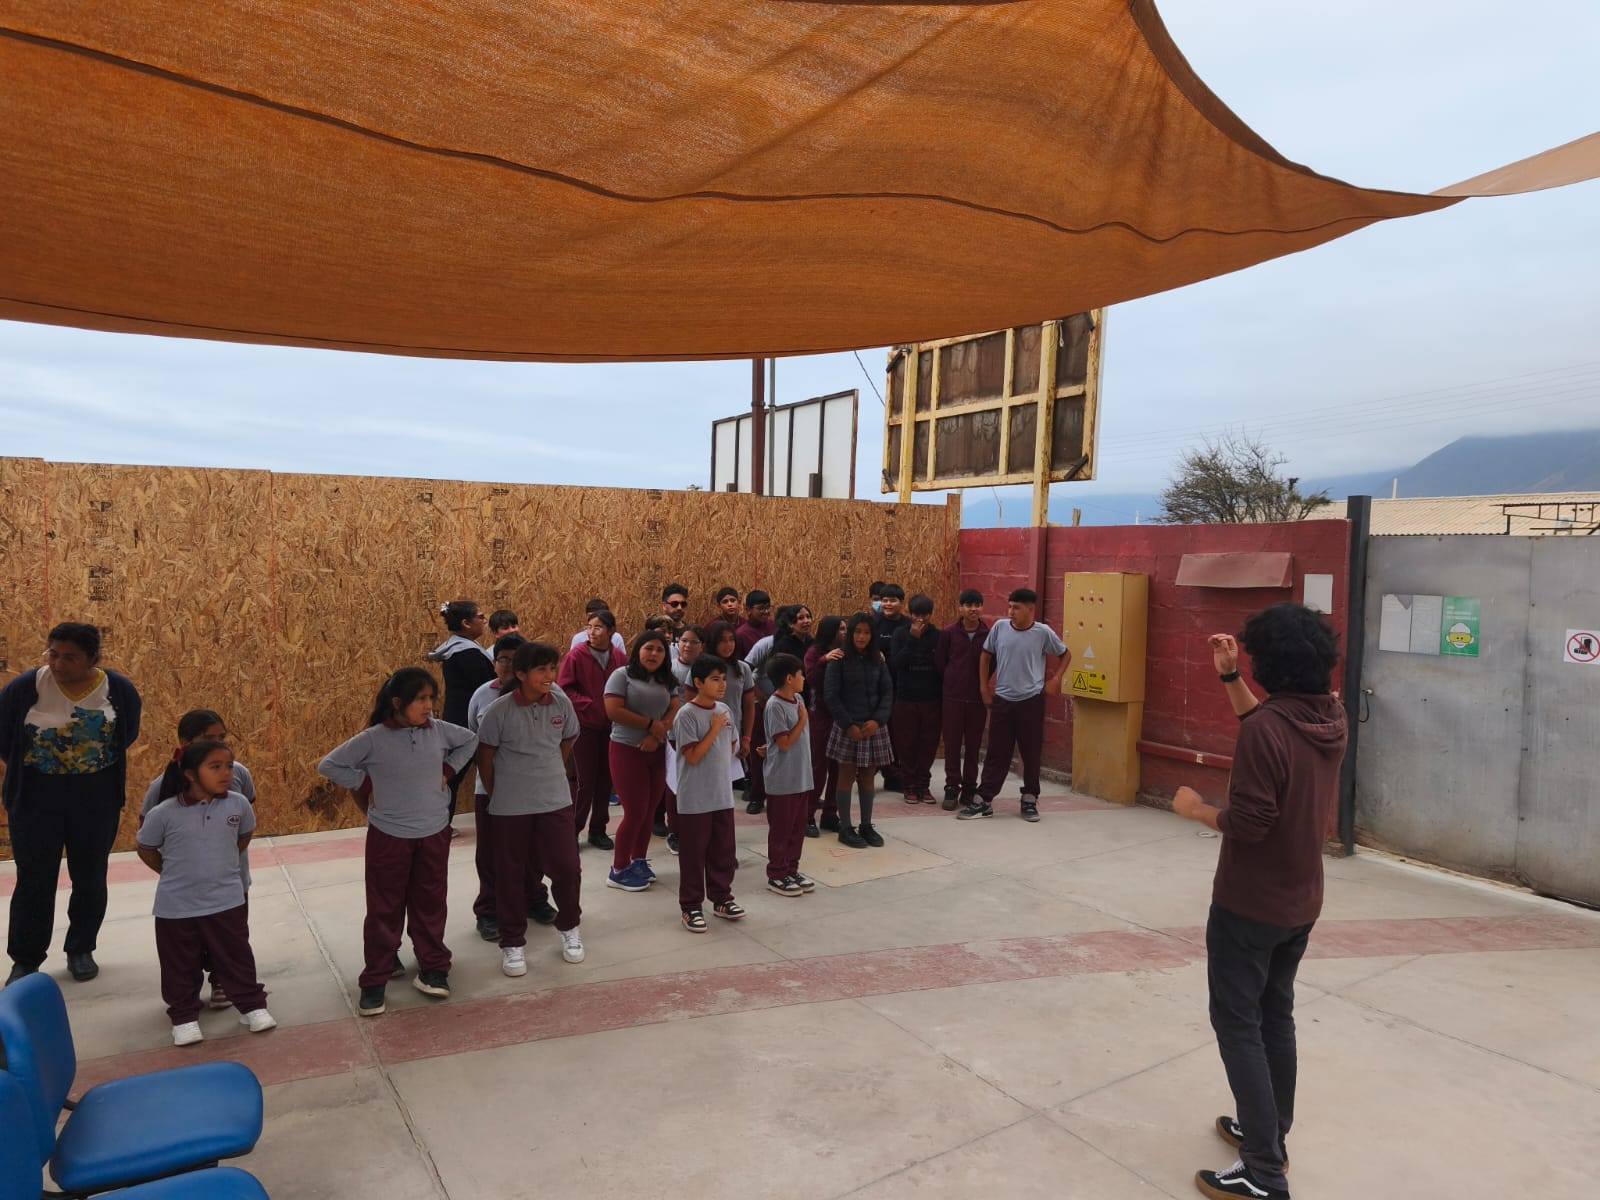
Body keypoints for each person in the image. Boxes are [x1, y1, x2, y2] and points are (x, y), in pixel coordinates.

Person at [1170, 608, 1346, 1200]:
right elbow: (1270, 724)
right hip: (1301, 900)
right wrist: (1229, 676)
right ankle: (1270, 1131)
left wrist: (1194, 809)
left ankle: (1264, 1171)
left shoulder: (1268, 729)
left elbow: (1249, 820)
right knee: (1276, 1015)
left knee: (1238, 1022)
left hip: (1249, 905)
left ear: (1271, 665)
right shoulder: (1331, 715)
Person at [318, 667, 477, 1016]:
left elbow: (470, 740)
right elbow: (329, 765)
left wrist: (448, 771)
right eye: (420, 699)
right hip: (389, 836)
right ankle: (376, 976)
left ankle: (433, 966)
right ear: (397, 702)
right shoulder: (373, 738)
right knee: (384, 907)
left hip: (433, 832)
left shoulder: (439, 731)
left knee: (430, 902)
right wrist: (366, 783)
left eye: (431, 699)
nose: (429, 706)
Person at [2, 622, 142, 986]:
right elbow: (5, 737)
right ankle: (26, 959)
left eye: (70, 657)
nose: (58, 663)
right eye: (53, 654)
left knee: (90, 876)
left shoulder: (118, 690)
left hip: (95, 800)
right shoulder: (27, 687)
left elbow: (126, 733)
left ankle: (81, 949)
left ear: (93, 659)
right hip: (35, 799)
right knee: (34, 879)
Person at [137, 740, 274, 1046]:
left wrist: (225, 865)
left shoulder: (238, 804)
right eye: (215, 767)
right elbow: (145, 848)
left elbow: (244, 834)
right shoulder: (163, 813)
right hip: (177, 907)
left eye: (229, 766)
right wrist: (172, 872)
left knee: (236, 956)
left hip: (227, 901)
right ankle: (184, 1017)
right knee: (179, 963)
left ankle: (251, 1006)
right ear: (189, 774)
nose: (226, 773)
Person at [474, 642, 586, 978]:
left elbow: (567, 741)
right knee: (509, 874)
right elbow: (485, 757)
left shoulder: (561, 704)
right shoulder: (499, 710)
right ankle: (512, 943)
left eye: (552, 668)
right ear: (521, 674)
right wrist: (498, 793)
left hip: (555, 801)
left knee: (567, 868)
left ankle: (570, 928)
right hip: (510, 807)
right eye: (541, 670)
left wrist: (547, 773)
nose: (549, 675)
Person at [140, 708, 257, 1010]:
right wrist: (172, 870)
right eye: (208, 738)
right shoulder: (162, 789)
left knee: (230, 939)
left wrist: (227, 859)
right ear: (185, 744)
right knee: (187, 946)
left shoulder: (239, 775)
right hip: (186, 891)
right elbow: (147, 838)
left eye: (222, 737)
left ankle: (223, 981)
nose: (218, 743)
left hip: (231, 882)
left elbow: (244, 824)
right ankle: (185, 1004)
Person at [468, 634, 557, 941]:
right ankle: (489, 911)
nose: (507, 665)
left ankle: (534, 899)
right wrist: (493, 789)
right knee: (491, 853)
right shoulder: (482, 695)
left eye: (515, 659)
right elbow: (476, 741)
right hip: (491, 790)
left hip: (533, 791)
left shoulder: (549, 695)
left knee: (533, 850)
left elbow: (564, 738)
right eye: (502, 659)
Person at [960, 588, 1069, 824]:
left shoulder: (1042, 633)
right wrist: (984, 687)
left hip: (1031, 701)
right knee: (996, 752)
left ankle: (1029, 798)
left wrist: (1055, 679)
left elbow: (1065, 654)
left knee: (1031, 752)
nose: (1011, 612)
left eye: (1016, 608)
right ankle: (984, 799)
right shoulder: (1000, 628)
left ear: (1030, 609)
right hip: (1003, 700)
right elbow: (985, 656)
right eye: (1009, 606)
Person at [672, 655, 745, 931]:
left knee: (723, 851)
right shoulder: (686, 714)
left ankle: (722, 898)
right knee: (693, 854)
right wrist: (714, 729)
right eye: (715, 679)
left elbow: (732, 745)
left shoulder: (725, 709)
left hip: (721, 794)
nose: (722, 684)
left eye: (724, 679)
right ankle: (691, 906)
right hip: (695, 798)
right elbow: (692, 757)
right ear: (699, 682)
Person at [603, 631, 678, 892]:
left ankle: (638, 860)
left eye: (660, 650)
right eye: (649, 648)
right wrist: (650, 725)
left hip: (656, 749)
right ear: (638, 650)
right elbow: (613, 710)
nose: (654, 654)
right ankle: (618, 869)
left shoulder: (666, 679)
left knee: (648, 811)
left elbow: (675, 706)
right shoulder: (621, 675)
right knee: (635, 812)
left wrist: (657, 734)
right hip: (627, 749)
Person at [823, 612, 894, 848]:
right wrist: (848, 725)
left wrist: (878, 721)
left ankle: (866, 825)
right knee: (845, 776)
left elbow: (887, 692)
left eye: (866, 632)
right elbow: (831, 695)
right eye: (857, 632)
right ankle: (845, 828)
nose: (861, 637)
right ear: (850, 633)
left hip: (873, 727)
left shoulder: (878, 659)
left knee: (867, 777)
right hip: (848, 728)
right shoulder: (839, 659)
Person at [559, 611, 626, 851]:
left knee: (605, 780)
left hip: (611, 728)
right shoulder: (576, 655)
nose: (591, 632)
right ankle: (572, 831)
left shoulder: (619, 657)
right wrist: (590, 706)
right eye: (589, 627)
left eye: (597, 627)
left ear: (611, 631)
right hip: (585, 727)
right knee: (584, 781)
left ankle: (598, 830)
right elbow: (565, 688)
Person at [427, 600, 495, 824]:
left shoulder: (461, 648)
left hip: (462, 719)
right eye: (480, 617)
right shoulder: (466, 653)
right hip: (467, 722)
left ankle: (440, 824)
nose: (484, 621)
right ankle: (439, 824)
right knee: (453, 775)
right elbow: (486, 686)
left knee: (454, 775)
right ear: (466, 623)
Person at [760, 653, 815, 897]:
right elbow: (783, 744)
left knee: (797, 828)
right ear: (789, 678)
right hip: (782, 780)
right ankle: (776, 873)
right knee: (781, 830)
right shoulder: (775, 705)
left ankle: (791, 869)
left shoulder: (798, 698)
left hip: (801, 776)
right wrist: (802, 720)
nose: (804, 678)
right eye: (801, 674)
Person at [935, 589, 990, 811]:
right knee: (952, 744)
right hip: (952, 698)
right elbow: (940, 662)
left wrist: (981, 685)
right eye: (968, 605)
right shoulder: (948, 633)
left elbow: (992, 663)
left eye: (977, 604)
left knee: (973, 746)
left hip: (977, 699)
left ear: (982, 607)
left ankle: (969, 787)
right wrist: (952, 680)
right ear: (960, 608)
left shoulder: (989, 634)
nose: (973, 609)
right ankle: (951, 787)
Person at [888, 594, 943, 805]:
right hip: (905, 698)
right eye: (916, 615)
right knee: (906, 743)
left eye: (924, 615)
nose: (920, 619)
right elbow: (896, 664)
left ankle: (923, 784)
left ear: (930, 614)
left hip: (931, 699)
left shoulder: (938, 636)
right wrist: (912, 639)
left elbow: (942, 666)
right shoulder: (900, 634)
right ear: (910, 614)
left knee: (928, 743)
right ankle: (909, 785)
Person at [704, 621, 759, 811]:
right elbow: (690, 700)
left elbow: (749, 706)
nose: (728, 645)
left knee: (726, 790)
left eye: (731, 640)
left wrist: (746, 738)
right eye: (722, 641)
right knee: (707, 787)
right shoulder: (702, 666)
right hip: (706, 734)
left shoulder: (742, 668)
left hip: (732, 735)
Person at [803, 616, 845, 837]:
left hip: (842, 715)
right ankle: (807, 815)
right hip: (820, 715)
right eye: (841, 629)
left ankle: (830, 814)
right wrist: (823, 661)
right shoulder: (814, 652)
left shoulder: (847, 651)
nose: (845, 633)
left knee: (838, 768)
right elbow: (810, 679)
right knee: (818, 767)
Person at [734, 589, 774, 657]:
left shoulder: (773, 625)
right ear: (748, 610)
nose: (766, 611)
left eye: (768, 607)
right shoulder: (741, 634)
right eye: (761, 608)